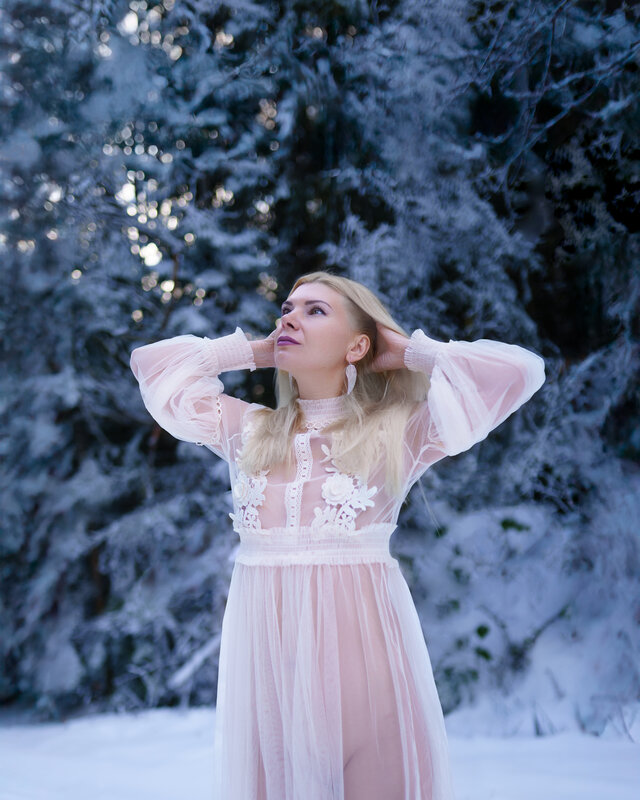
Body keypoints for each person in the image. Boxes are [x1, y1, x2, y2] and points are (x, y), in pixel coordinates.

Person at [130, 270, 546, 800]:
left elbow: (515, 374)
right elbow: (153, 366)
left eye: (315, 310)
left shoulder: (397, 432)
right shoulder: (250, 432)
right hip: (271, 693)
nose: (289, 317)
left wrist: (410, 352)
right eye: (287, 308)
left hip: (369, 688)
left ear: (357, 346)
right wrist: (257, 352)